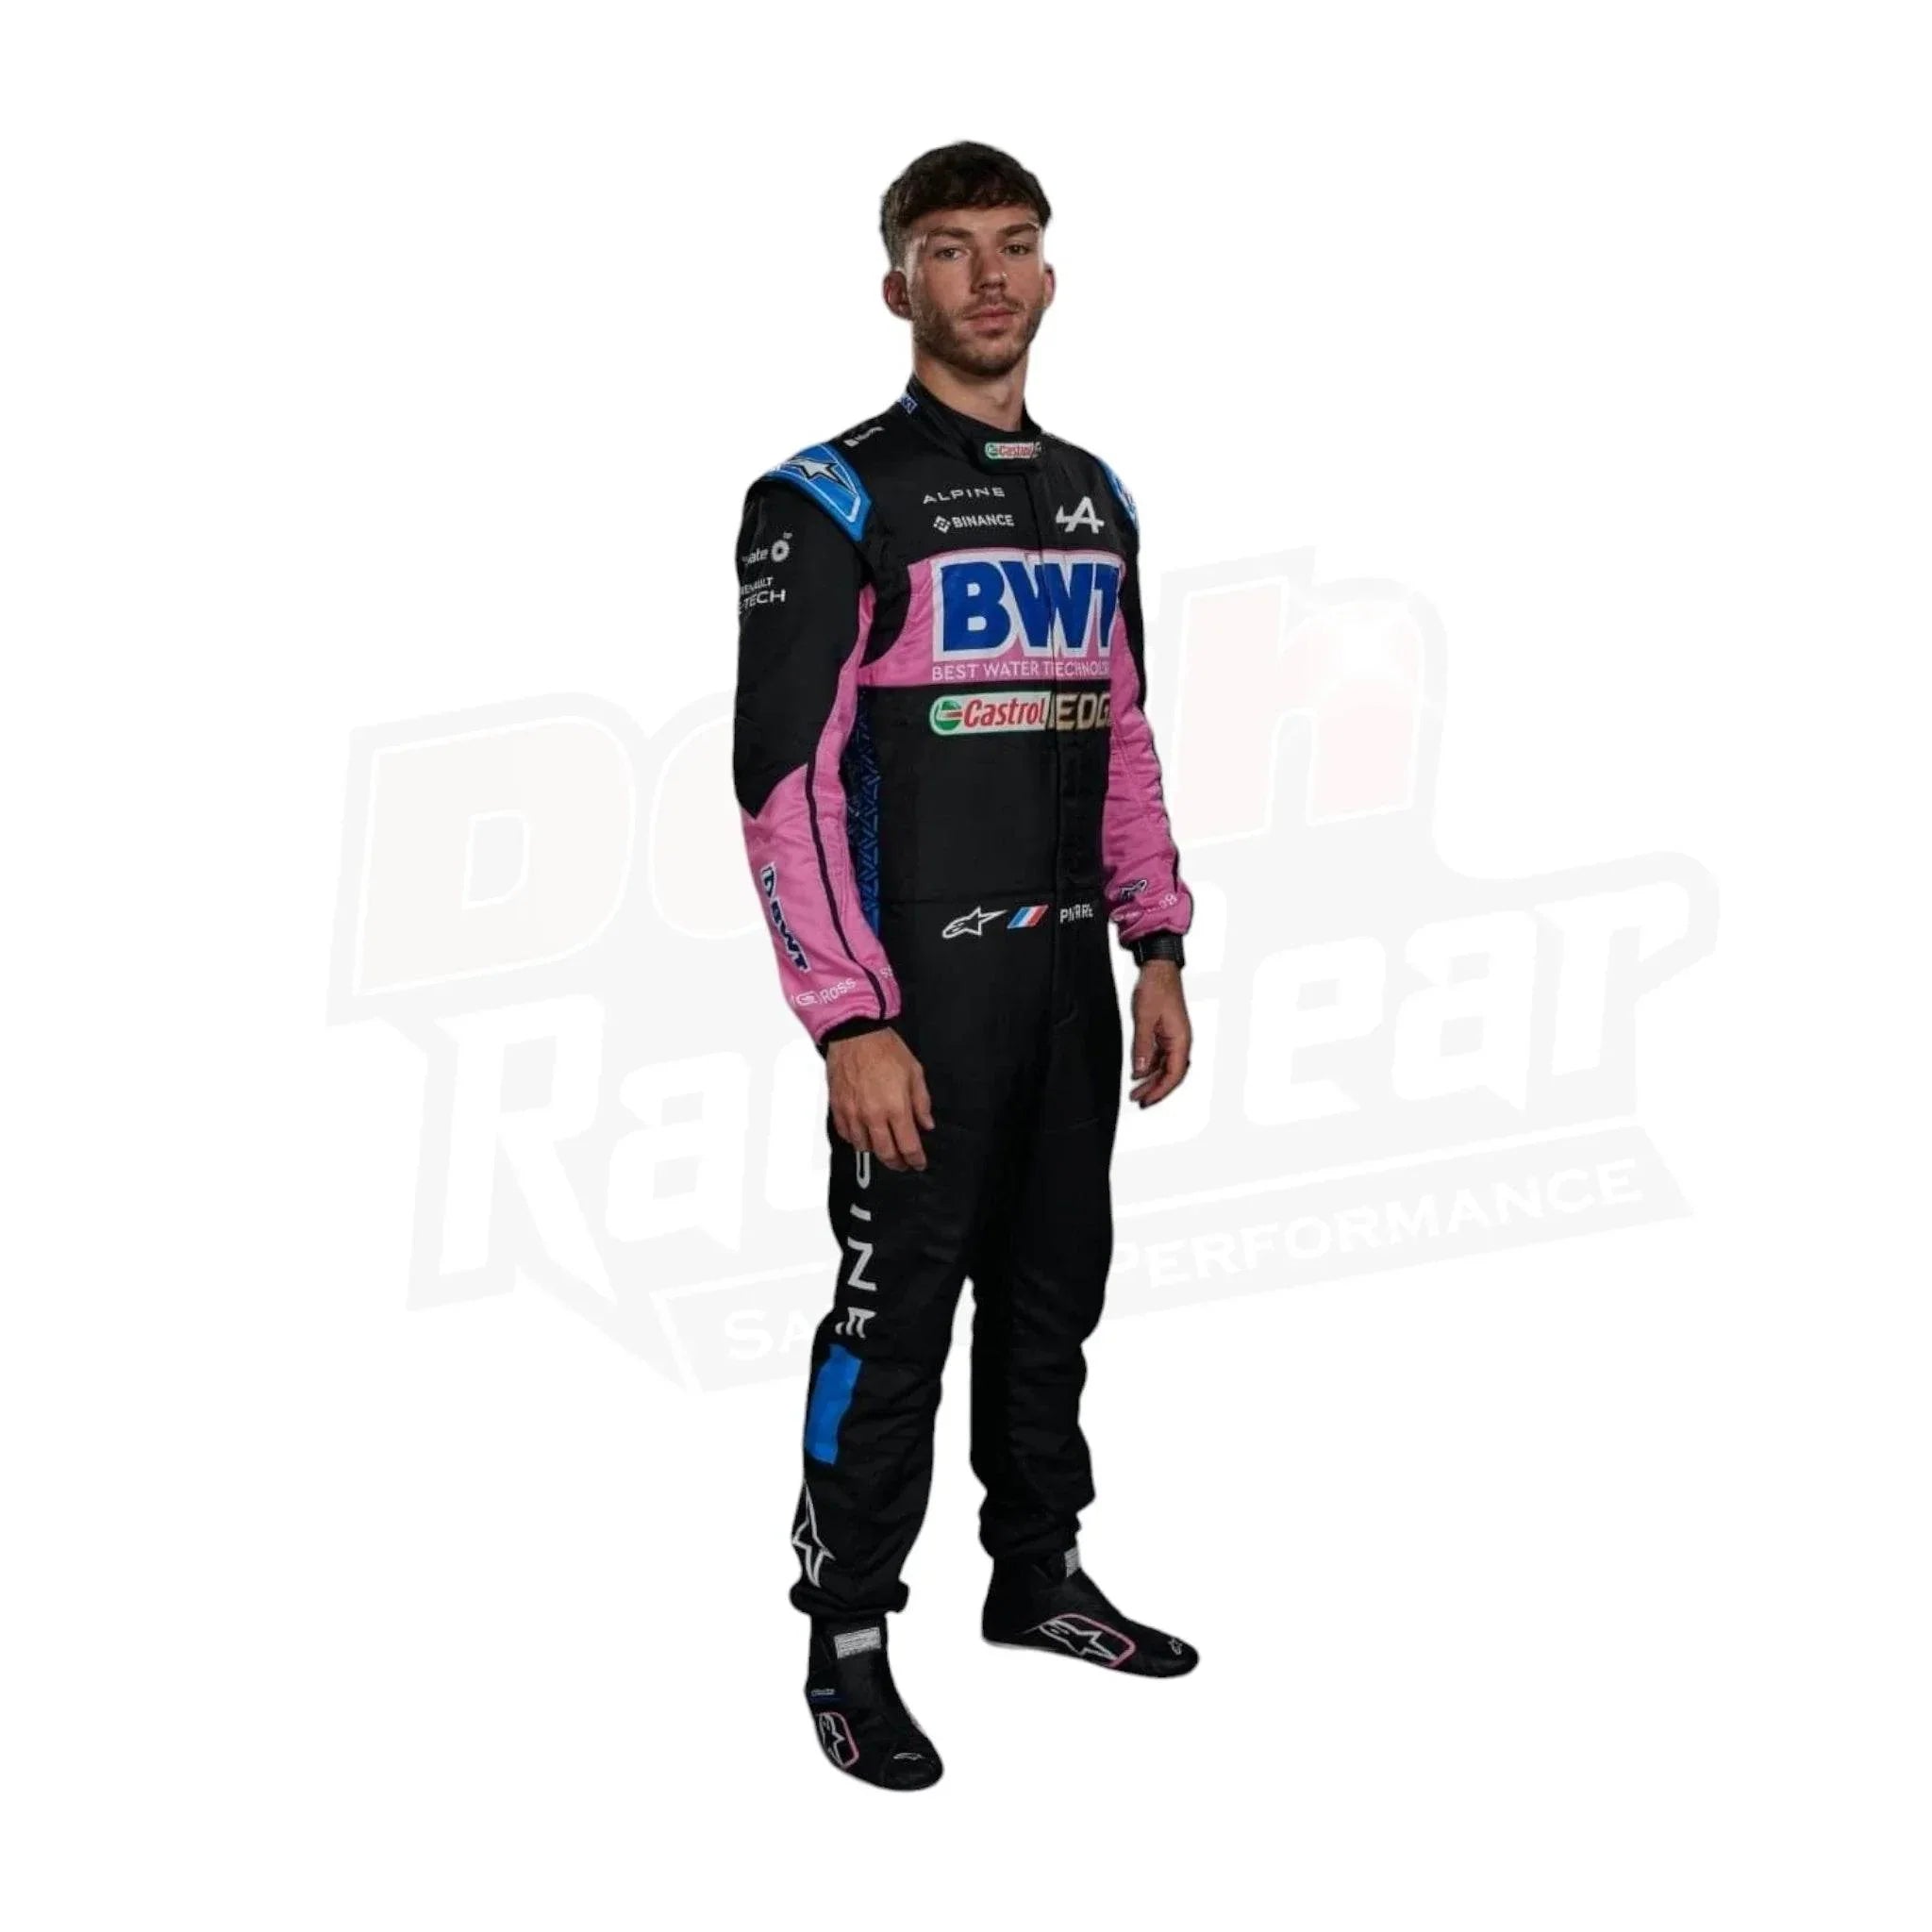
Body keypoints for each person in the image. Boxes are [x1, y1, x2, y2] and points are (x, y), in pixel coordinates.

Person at [732, 142, 1198, 1791]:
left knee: (1055, 1297)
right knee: (894, 1323)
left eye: (1014, 244)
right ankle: (847, 1637)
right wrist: (847, 1018)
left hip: (1070, 994)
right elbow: (781, 784)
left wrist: (1157, 940)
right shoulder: (829, 498)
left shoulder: (1096, 498)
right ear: (898, 285)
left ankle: (1038, 1575)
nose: (987, 277)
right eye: (948, 248)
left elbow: (1121, 731)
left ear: (1051, 276)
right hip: (915, 1005)